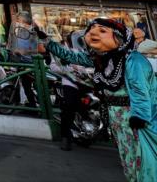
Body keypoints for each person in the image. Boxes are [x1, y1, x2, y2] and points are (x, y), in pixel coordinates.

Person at [40, 18, 157, 181]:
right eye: (91, 29)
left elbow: (141, 92)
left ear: (119, 38)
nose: (93, 33)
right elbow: (71, 56)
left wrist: (140, 118)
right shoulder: (101, 59)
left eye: (102, 31)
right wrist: (47, 41)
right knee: (129, 161)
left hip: (137, 121)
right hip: (118, 121)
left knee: (146, 163)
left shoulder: (134, 60)